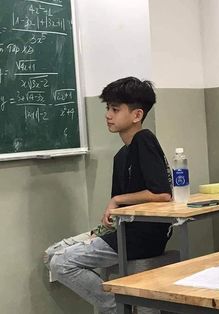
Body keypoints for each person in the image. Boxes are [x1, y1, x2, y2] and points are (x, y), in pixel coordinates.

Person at [44, 77, 172, 314]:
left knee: (61, 262)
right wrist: (99, 231)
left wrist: (117, 200)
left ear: (137, 115)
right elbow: (118, 214)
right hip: (122, 231)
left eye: (115, 109)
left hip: (142, 237)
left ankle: (114, 305)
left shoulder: (145, 140)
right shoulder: (121, 156)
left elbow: (162, 194)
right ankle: (115, 303)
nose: (108, 115)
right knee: (52, 253)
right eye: (107, 108)